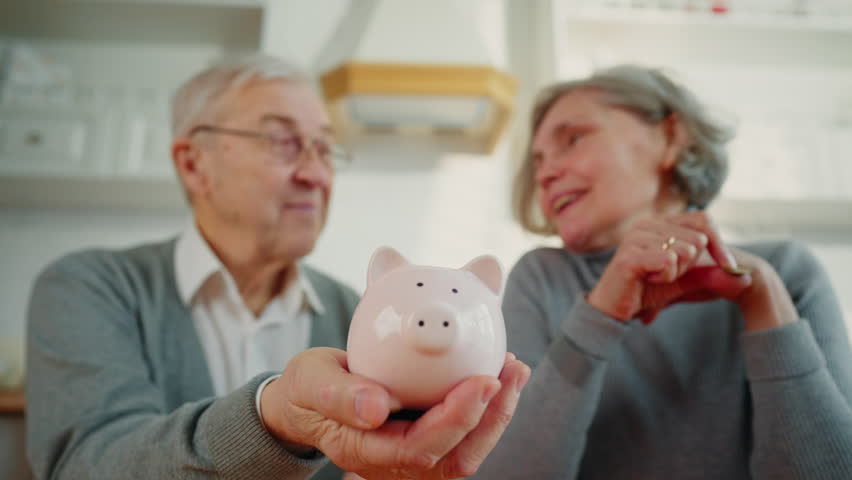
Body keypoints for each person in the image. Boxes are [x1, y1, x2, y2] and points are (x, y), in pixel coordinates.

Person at [25, 54, 530, 480]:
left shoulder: (360, 315)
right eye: (282, 142)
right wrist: (273, 418)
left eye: (325, 148)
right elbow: (85, 465)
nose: (315, 174)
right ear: (194, 164)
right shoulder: (90, 288)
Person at [472, 64, 852, 479]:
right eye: (539, 161)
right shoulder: (541, 279)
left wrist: (763, 301)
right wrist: (598, 316)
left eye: (574, 139)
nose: (545, 174)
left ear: (671, 137)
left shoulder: (784, 271)